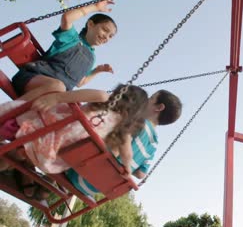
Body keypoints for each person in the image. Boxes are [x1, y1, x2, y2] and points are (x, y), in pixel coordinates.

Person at [0, 84, 148, 197]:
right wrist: (127, 169)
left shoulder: (102, 98)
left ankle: (9, 155)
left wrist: (55, 97)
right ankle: (10, 159)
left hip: (42, 133)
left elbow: (64, 97)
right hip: (52, 159)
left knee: (28, 105)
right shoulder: (121, 131)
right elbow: (127, 154)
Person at [66, 89, 183, 196]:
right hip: (93, 188)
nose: (146, 100)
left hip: (78, 171)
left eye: (151, 98)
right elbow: (140, 174)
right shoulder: (153, 145)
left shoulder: (138, 121)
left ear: (159, 107)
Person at [12, 0, 117, 103]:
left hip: (53, 96)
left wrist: (96, 71)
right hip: (32, 78)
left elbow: (80, 82)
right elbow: (67, 18)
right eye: (105, 30)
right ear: (90, 24)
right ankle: (10, 108)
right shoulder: (72, 38)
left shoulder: (92, 58)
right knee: (57, 86)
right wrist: (95, 7)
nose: (106, 37)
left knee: (71, 100)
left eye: (110, 36)